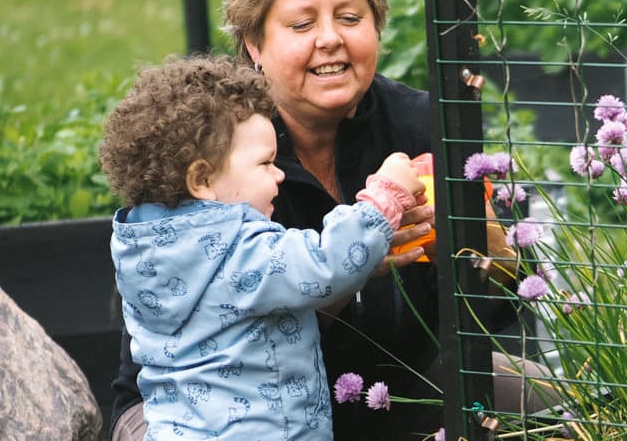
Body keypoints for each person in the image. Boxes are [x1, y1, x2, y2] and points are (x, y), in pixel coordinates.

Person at [110, 0, 553, 440]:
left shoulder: (421, 125)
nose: (330, 39)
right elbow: (223, 331)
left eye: (350, 17)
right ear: (254, 43)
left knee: (555, 407)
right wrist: (350, 266)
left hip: (392, 383)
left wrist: (491, 250)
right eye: (302, 23)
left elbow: (501, 310)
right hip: (203, 407)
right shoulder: (210, 146)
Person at [100, 54, 426, 439]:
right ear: (202, 179)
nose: (280, 174)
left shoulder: (145, 250)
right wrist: (386, 195)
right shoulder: (239, 251)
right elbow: (326, 262)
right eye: (266, 163)